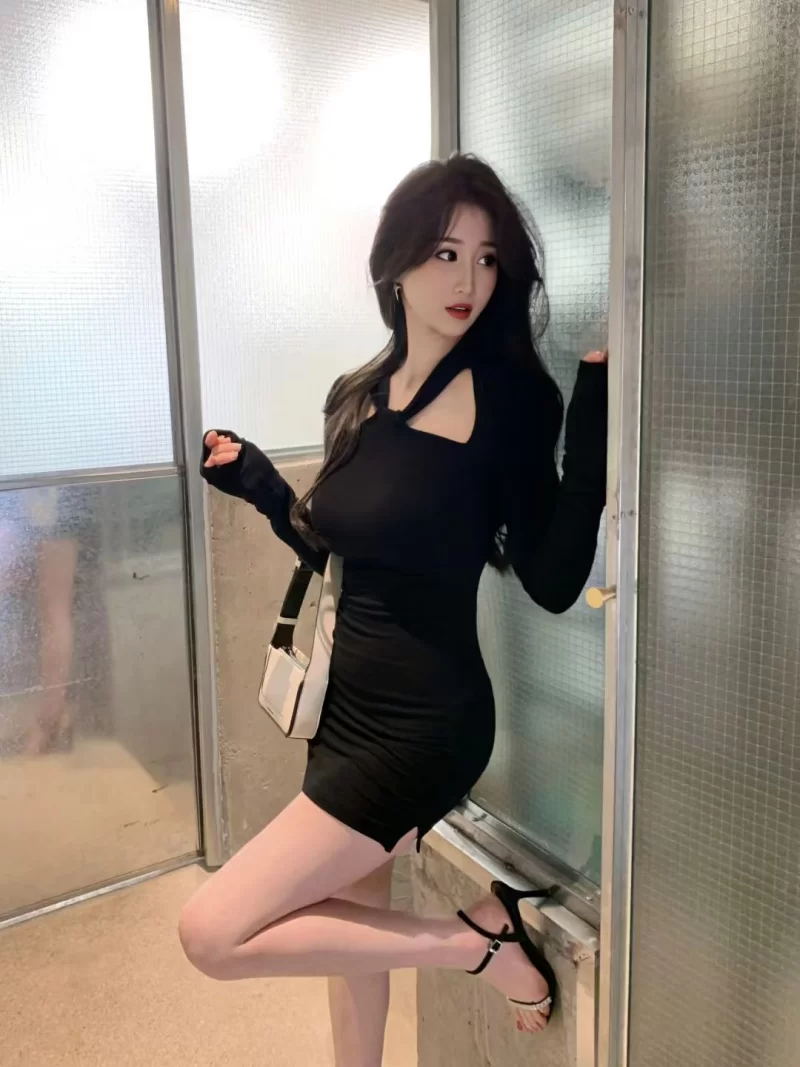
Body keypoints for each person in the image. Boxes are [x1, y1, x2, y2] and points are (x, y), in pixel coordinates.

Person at [178, 154, 608, 1065]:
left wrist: (594, 417)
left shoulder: (511, 401)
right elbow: (339, 552)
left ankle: (479, 942)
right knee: (352, 937)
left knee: (210, 931)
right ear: (397, 263)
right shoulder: (358, 395)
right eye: (446, 253)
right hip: (344, 711)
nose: (467, 280)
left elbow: (553, 577)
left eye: (487, 259)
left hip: (423, 725)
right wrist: (263, 487)